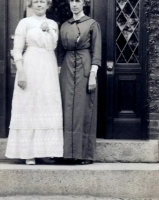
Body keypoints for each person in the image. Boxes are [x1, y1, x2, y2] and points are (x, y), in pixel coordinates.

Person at [5, 0, 63, 165]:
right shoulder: (25, 23)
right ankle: (28, 152)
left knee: (47, 104)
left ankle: (44, 150)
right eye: (36, 1)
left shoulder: (52, 23)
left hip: (48, 66)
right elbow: (17, 49)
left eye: (42, 1)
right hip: (30, 65)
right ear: (30, 4)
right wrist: (21, 72)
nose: (39, 4)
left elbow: (53, 45)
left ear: (47, 5)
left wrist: (48, 31)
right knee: (29, 104)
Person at [58, 0, 101, 165]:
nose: (74, 4)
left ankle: (85, 154)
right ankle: (65, 153)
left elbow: (96, 51)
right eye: (72, 1)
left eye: (78, 1)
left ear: (84, 3)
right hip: (67, 67)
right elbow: (60, 53)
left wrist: (92, 74)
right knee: (66, 107)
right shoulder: (64, 25)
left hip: (85, 64)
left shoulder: (92, 24)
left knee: (83, 108)